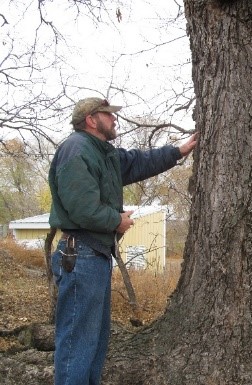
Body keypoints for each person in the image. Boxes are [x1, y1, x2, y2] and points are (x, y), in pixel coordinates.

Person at [48, 97, 198, 385]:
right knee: (77, 346)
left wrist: (179, 150)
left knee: (93, 345)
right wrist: (116, 220)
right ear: (92, 119)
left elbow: (138, 162)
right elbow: (82, 208)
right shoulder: (77, 150)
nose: (115, 119)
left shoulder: (101, 153)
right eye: (108, 114)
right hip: (81, 256)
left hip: (93, 256)